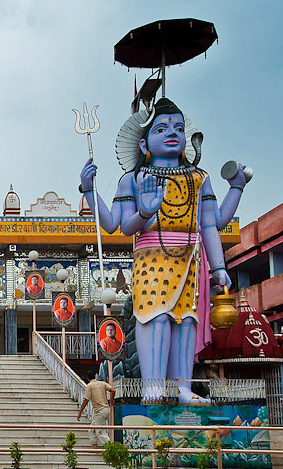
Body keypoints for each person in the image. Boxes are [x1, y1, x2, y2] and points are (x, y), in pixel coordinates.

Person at [79, 97, 245, 403]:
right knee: (155, 318)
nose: (173, 133)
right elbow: (115, 224)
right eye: (162, 129)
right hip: (152, 257)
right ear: (144, 145)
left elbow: (213, 223)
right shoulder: (134, 179)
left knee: (186, 321)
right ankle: (153, 387)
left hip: (191, 259)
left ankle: (183, 388)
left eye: (179, 128)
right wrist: (92, 192)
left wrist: (236, 189)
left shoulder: (198, 179)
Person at [77, 372, 115, 448]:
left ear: (87, 378)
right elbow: (113, 390)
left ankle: (111, 448)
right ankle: (94, 446)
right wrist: (111, 400)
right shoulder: (102, 383)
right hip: (106, 409)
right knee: (91, 429)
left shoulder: (89, 386)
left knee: (100, 431)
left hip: (100, 411)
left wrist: (80, 412)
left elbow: (86, 400)